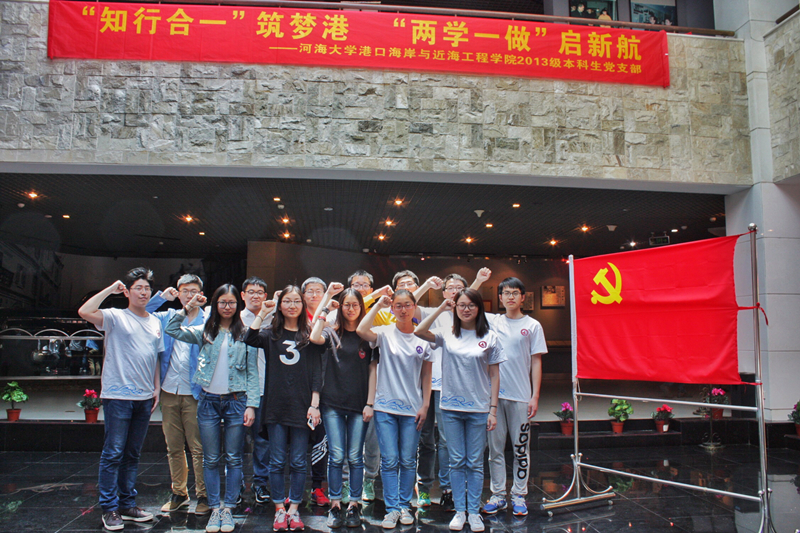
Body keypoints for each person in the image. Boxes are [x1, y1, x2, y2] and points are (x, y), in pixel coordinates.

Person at [165, 285, 259, 533]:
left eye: (231, 303)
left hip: (236, 401)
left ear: (237, 305)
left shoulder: (246, 334)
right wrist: (189, 306)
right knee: (211, 458)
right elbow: (171, 329)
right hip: (208, 401)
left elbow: (252, 372)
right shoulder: (205, 331)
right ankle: (215, 508)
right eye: (222, 302)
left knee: (234, 458)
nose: (227, 307)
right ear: (215, 305)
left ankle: (229, 509)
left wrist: (251, 405)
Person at [78, 268, 163, 531]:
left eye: (147, 288)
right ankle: (109, 508)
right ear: (127, 291)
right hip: (117, 396)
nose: (144, 292)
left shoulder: (155, 321)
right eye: (138, 288)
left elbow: (155, 356)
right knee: (113, 452)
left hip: (144, 397)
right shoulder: (115, 316)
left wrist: (156, 388)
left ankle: (127, 504)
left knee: (133, 453)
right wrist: (109, 290)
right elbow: (84, 311)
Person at [415, 289, 504, 532]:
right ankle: (459, 511)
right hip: (450, 407)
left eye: (471, 305)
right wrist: (440, 309)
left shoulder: (490, 336)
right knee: (456, 461)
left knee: (474, 462)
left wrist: (493, 409)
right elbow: (419, 331)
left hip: (478, 408)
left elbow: (495, 375)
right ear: (455, 308)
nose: (466, 309)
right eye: (461, 305)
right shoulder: (447, 333)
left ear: (479, 308)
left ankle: (473, 512)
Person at [244, 286, 324, 532]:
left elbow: (317, 372)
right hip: (276, 406)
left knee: (299, 461)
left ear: (302, 305)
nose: (292, 305)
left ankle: (294, 509)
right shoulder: (271, 334)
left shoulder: (309, 335)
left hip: (302, 407)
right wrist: (263, 311)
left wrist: (314, 404)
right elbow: (249, 337)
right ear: (280, 305)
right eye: (287, 301)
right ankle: (279, 509)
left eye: (296, 301)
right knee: (277, 460)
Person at [357, 291, 432, 529]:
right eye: (398, 306)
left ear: (414, 307)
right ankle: (391, 509)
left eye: (407, 305)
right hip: (385, 408)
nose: (403, 310)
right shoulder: (385, 333)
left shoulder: (422, 337)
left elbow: (427, 374)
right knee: (389, 460)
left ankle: (404, 506)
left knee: (408, 460)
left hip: (413, 409)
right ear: (392, 309)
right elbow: (361, 329)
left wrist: (425, 404)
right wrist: (378, 304)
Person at [310, 288, 377, 528]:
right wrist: (326, 306)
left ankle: (354, 505)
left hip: (359, 405)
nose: (350, 309)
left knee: (355, 457)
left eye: (355, 305)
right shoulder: (331, 332)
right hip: (332, 404)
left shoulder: (367, 335)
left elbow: (373, 370)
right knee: (337, 456)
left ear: (361, 307)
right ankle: (336, 504)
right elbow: (314, 337)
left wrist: (370, 403)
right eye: (346, 305)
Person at [481, 277, 547, 517]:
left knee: (521, 448)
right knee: (495, 449)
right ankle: (498, 495)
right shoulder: (493, 321)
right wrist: (478, 280)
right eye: (506, 293)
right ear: (500, 298)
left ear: (523, 297)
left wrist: (535, 396)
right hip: (494, 398)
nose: (510, 297)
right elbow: (465, 302)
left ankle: (519, 495)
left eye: (515, 293)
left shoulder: (533, 326)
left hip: (520, 396)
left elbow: (536, 362)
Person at [146, 275, 209, 516]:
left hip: (196, 391)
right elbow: (141, 312)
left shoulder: (208, 318)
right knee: (173, 446)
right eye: (185, 291)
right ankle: (179, 493)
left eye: (194, 291)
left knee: (198, 447)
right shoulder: (167, 316)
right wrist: (161, 297)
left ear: (200, 294)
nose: (189, 295)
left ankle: (203, 495)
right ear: (178, 293)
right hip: (169, 389)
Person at [239, 276, 272, 505]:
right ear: (243, 295)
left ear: (265, 296)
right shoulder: (235, 319)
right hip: (238, 390)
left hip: (263, 388)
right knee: (237, 442)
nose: (255, 296)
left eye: (260, 292)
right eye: (251, 292)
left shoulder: (272, 319)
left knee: (262, 441)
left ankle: (261, 483)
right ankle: (238, 483)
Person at [301, 277, 331, 507]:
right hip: (299, 386)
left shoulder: (331, 317)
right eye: (309, 291)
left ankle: (318, 486)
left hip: (324, 385)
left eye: (318, 291)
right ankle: (294, 487)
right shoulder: (295, 317)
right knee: (298, 441)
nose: (313, 295)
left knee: (321, 439)